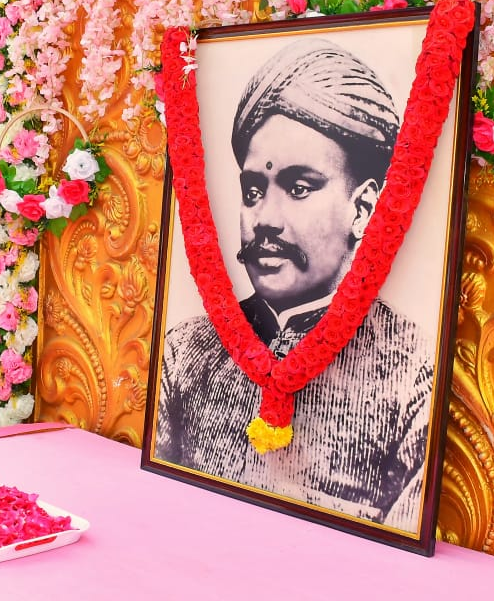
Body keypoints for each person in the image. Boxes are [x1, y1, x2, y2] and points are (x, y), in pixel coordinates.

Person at [155, 38, 432, 532]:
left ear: (363, 207)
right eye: (253, 192)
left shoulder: (412, 378)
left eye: (300, 188)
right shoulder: (186, 352)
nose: (265, 221)